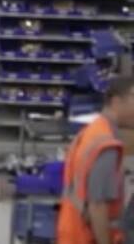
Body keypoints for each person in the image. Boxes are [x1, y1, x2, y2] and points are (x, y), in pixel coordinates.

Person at [58, 75, 134, 243]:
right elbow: (98, 206)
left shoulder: (92, 131)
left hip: (73, 232)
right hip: (86, 237)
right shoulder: (106, 144)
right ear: (116, 101)